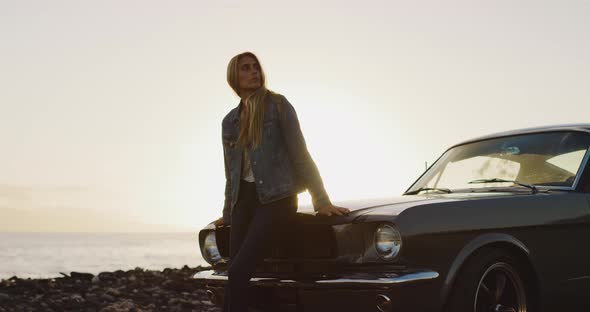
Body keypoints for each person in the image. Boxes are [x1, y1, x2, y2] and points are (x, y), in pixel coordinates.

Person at [215, 51, 350, 312]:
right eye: (246, 68)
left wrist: (321, 200)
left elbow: (300, 154)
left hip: (277, 199)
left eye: (256, 67)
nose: (254, 71)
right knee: (234, 272)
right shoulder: (229, 122)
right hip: (244, 200)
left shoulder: (278, 106)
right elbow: (230, 172)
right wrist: (226, 213)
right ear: (234, 76)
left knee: (240, 269)